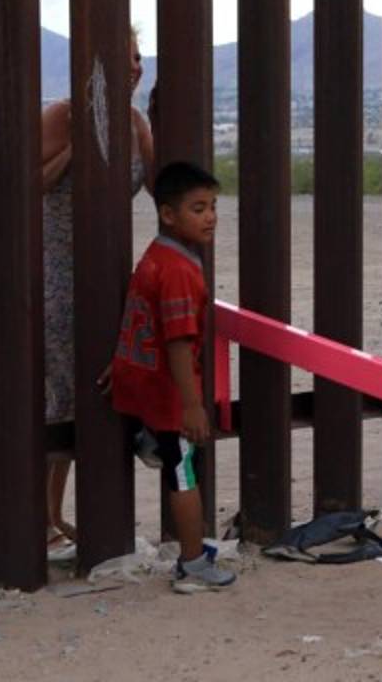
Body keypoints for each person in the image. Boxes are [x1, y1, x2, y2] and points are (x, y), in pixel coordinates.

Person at [39, 28, 155, 548]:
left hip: (109, 271)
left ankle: (81, 515)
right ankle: (44, 518)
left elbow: (160, 188)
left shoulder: (135, 124)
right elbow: (30, 182)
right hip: (58, 271)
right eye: (124, 57)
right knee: (60, 391)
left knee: (97, 389)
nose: (135, 66)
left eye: (138, 57)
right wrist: (80, 142)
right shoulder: (60, 115)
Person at [104, 160, 235, 593]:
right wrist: (193, 406)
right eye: (198, 208)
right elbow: (179, 342)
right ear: (168, 214)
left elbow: (138, 317)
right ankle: (193, 564)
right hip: (167, 393)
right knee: (184, 473)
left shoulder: (155, 256)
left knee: (173, 458)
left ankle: (151, 440)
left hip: (137, 378)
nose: (211, 216)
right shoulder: (181, 270)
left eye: (213, 206)